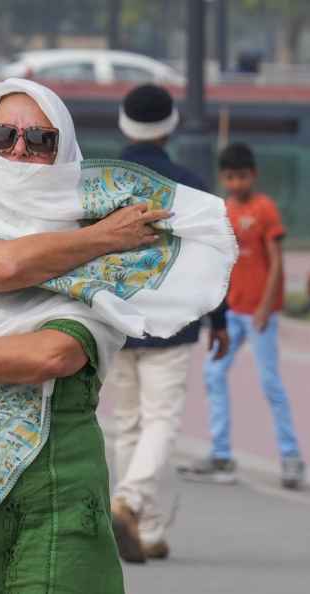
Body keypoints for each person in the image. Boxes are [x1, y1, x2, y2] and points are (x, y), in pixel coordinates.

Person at [0, 79, 236, 593]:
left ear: (63, 149)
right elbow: (1, 268)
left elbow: (52, 354)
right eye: (3, 135)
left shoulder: (101, 238)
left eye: (39, 139)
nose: (19, 149)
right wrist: (97, 240)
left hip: (56, 481)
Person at [103, 84, 230, 563]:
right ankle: (131, 503)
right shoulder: (190, 184)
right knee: (161, 420)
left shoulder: (105, 182)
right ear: (172, 124)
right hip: (174, 319)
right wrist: (219, 320)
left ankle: (150, 529)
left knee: (127, 421)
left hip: (118, 314)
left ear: (123, 122)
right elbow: (214, 257)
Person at [179, 143, 305, 490]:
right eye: (231, 177)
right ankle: (221, 453)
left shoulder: (265, 209)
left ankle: (291, 456)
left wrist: (266, 306)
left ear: (254, 175)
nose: (236, 183)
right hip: (231, 313)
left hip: (260, 314)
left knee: (270, 384)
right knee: (214, 375)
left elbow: (276, 260)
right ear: (223, 178)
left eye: (242, 176)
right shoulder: (224, 211)